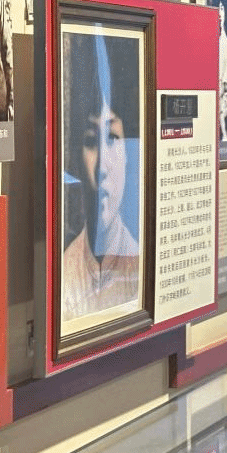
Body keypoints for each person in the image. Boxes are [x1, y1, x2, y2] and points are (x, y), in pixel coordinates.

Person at [62, 33, 142, 323]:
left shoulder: (141, 264)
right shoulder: (64, 271)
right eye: (90, 141)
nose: (102, 167)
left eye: (113, 138)